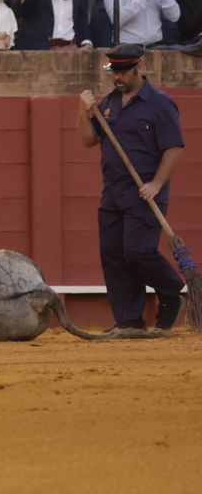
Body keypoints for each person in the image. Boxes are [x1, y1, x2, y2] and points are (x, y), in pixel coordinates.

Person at [76, 43, 187, 331]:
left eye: (124, 72)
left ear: (140, 68)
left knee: (138, 252)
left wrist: (157, 183)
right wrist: (84, 113)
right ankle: (129, 320)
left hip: (146, 193)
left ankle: (171, 289)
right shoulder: (108, 104)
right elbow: (88, 140)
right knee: (113, 255)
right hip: (113, 191)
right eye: (114, 72)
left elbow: (173, 148)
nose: (118, 77)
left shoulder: (160, 104)